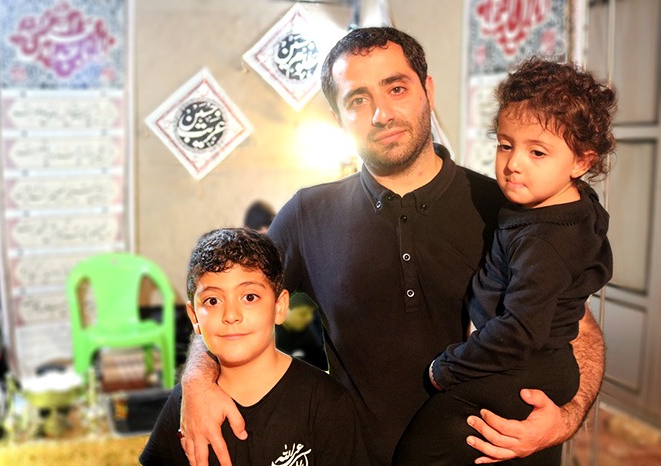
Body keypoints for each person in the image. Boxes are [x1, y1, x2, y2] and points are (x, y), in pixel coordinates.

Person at [177, 27, 606, 466]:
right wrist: (197, 381)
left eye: (396, 88)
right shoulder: (308, 214)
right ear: (337, 118)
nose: (381, 113)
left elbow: (581, 331)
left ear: (428, 90)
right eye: (357, 100)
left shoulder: (511, 207)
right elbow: (228, 301)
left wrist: (567, 418)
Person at [392, 58, 616, 465]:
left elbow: (518, 333)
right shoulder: (569, 205)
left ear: (581, 162)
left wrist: (445, 368)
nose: (514, 163)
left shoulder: (544, 241)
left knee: (418, 453)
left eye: (537, 152)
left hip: (523, 368)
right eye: (505, 144)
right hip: (533, 363)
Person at [139, 228, 367, 465]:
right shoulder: (185, 404)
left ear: (279, 307)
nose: (231, 315)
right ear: (194, 317)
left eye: (249, 297)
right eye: (213, 301)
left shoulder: (326, 403)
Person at [275, 292, 328, 371]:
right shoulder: (272, 337)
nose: (308, 318)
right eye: (302, 314)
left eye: (311, 314)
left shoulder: (310, 330)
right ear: (285, 310)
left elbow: (323, 362)